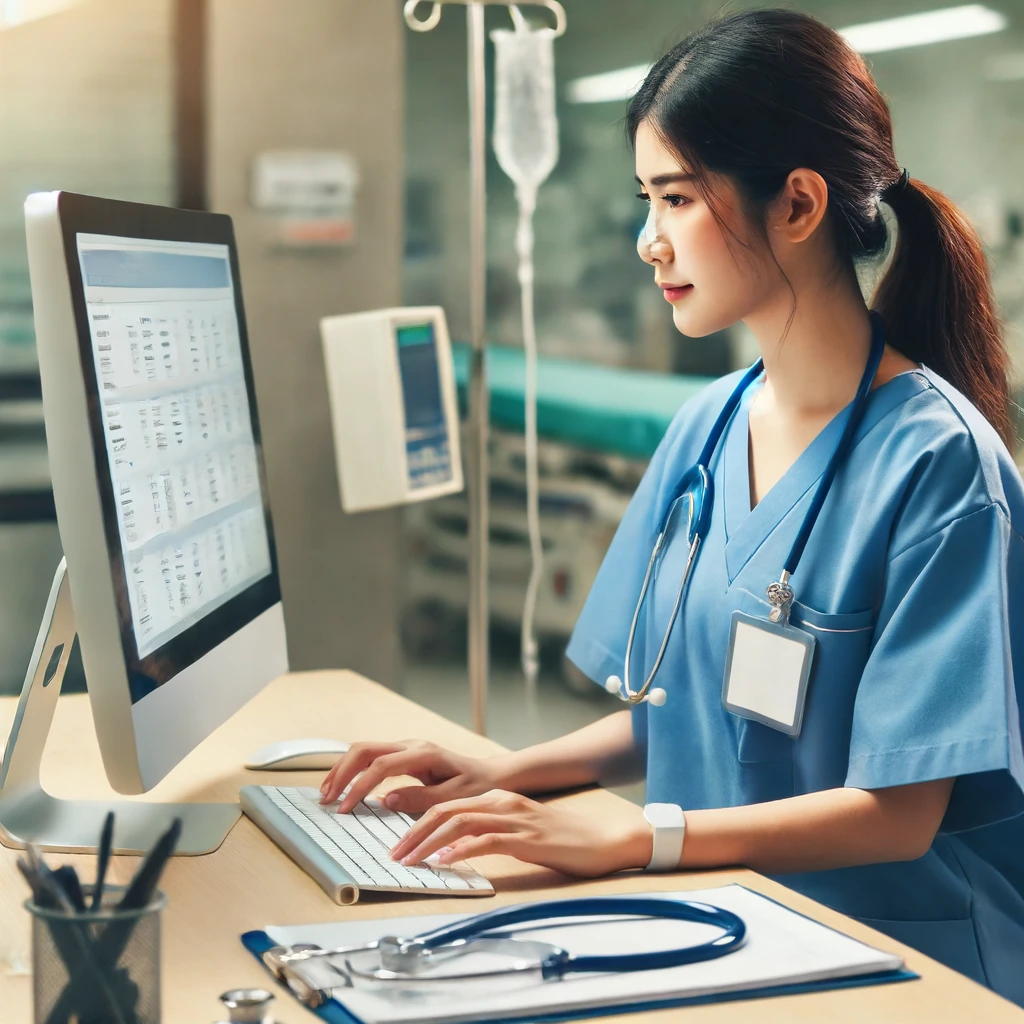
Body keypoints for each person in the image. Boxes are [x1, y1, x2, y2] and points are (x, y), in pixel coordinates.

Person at [320, 9, 1024, 1003]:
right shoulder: (706, 427)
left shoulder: (939, 468)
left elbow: (897, 812)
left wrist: (639, 833)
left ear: (796, 205)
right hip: (724, 920)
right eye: (646, 201)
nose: (649, 242)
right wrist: (501, 773)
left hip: (894, 960)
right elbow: (681, 714)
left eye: (676, 198)